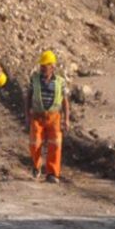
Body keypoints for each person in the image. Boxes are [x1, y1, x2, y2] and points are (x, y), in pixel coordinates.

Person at [25, 50, 70, 184]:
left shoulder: (60, 82)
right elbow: (28, 97)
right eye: (41, 66)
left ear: (52, 66)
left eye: (45, 66)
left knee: (55, 144)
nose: (42, 68)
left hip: (54, 117)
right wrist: (27, 115)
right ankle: (36, 166)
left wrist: (66, 119)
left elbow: (65, 101)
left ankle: (52, 173)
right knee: (35, 143)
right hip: (37, 116)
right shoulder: (34, 79)